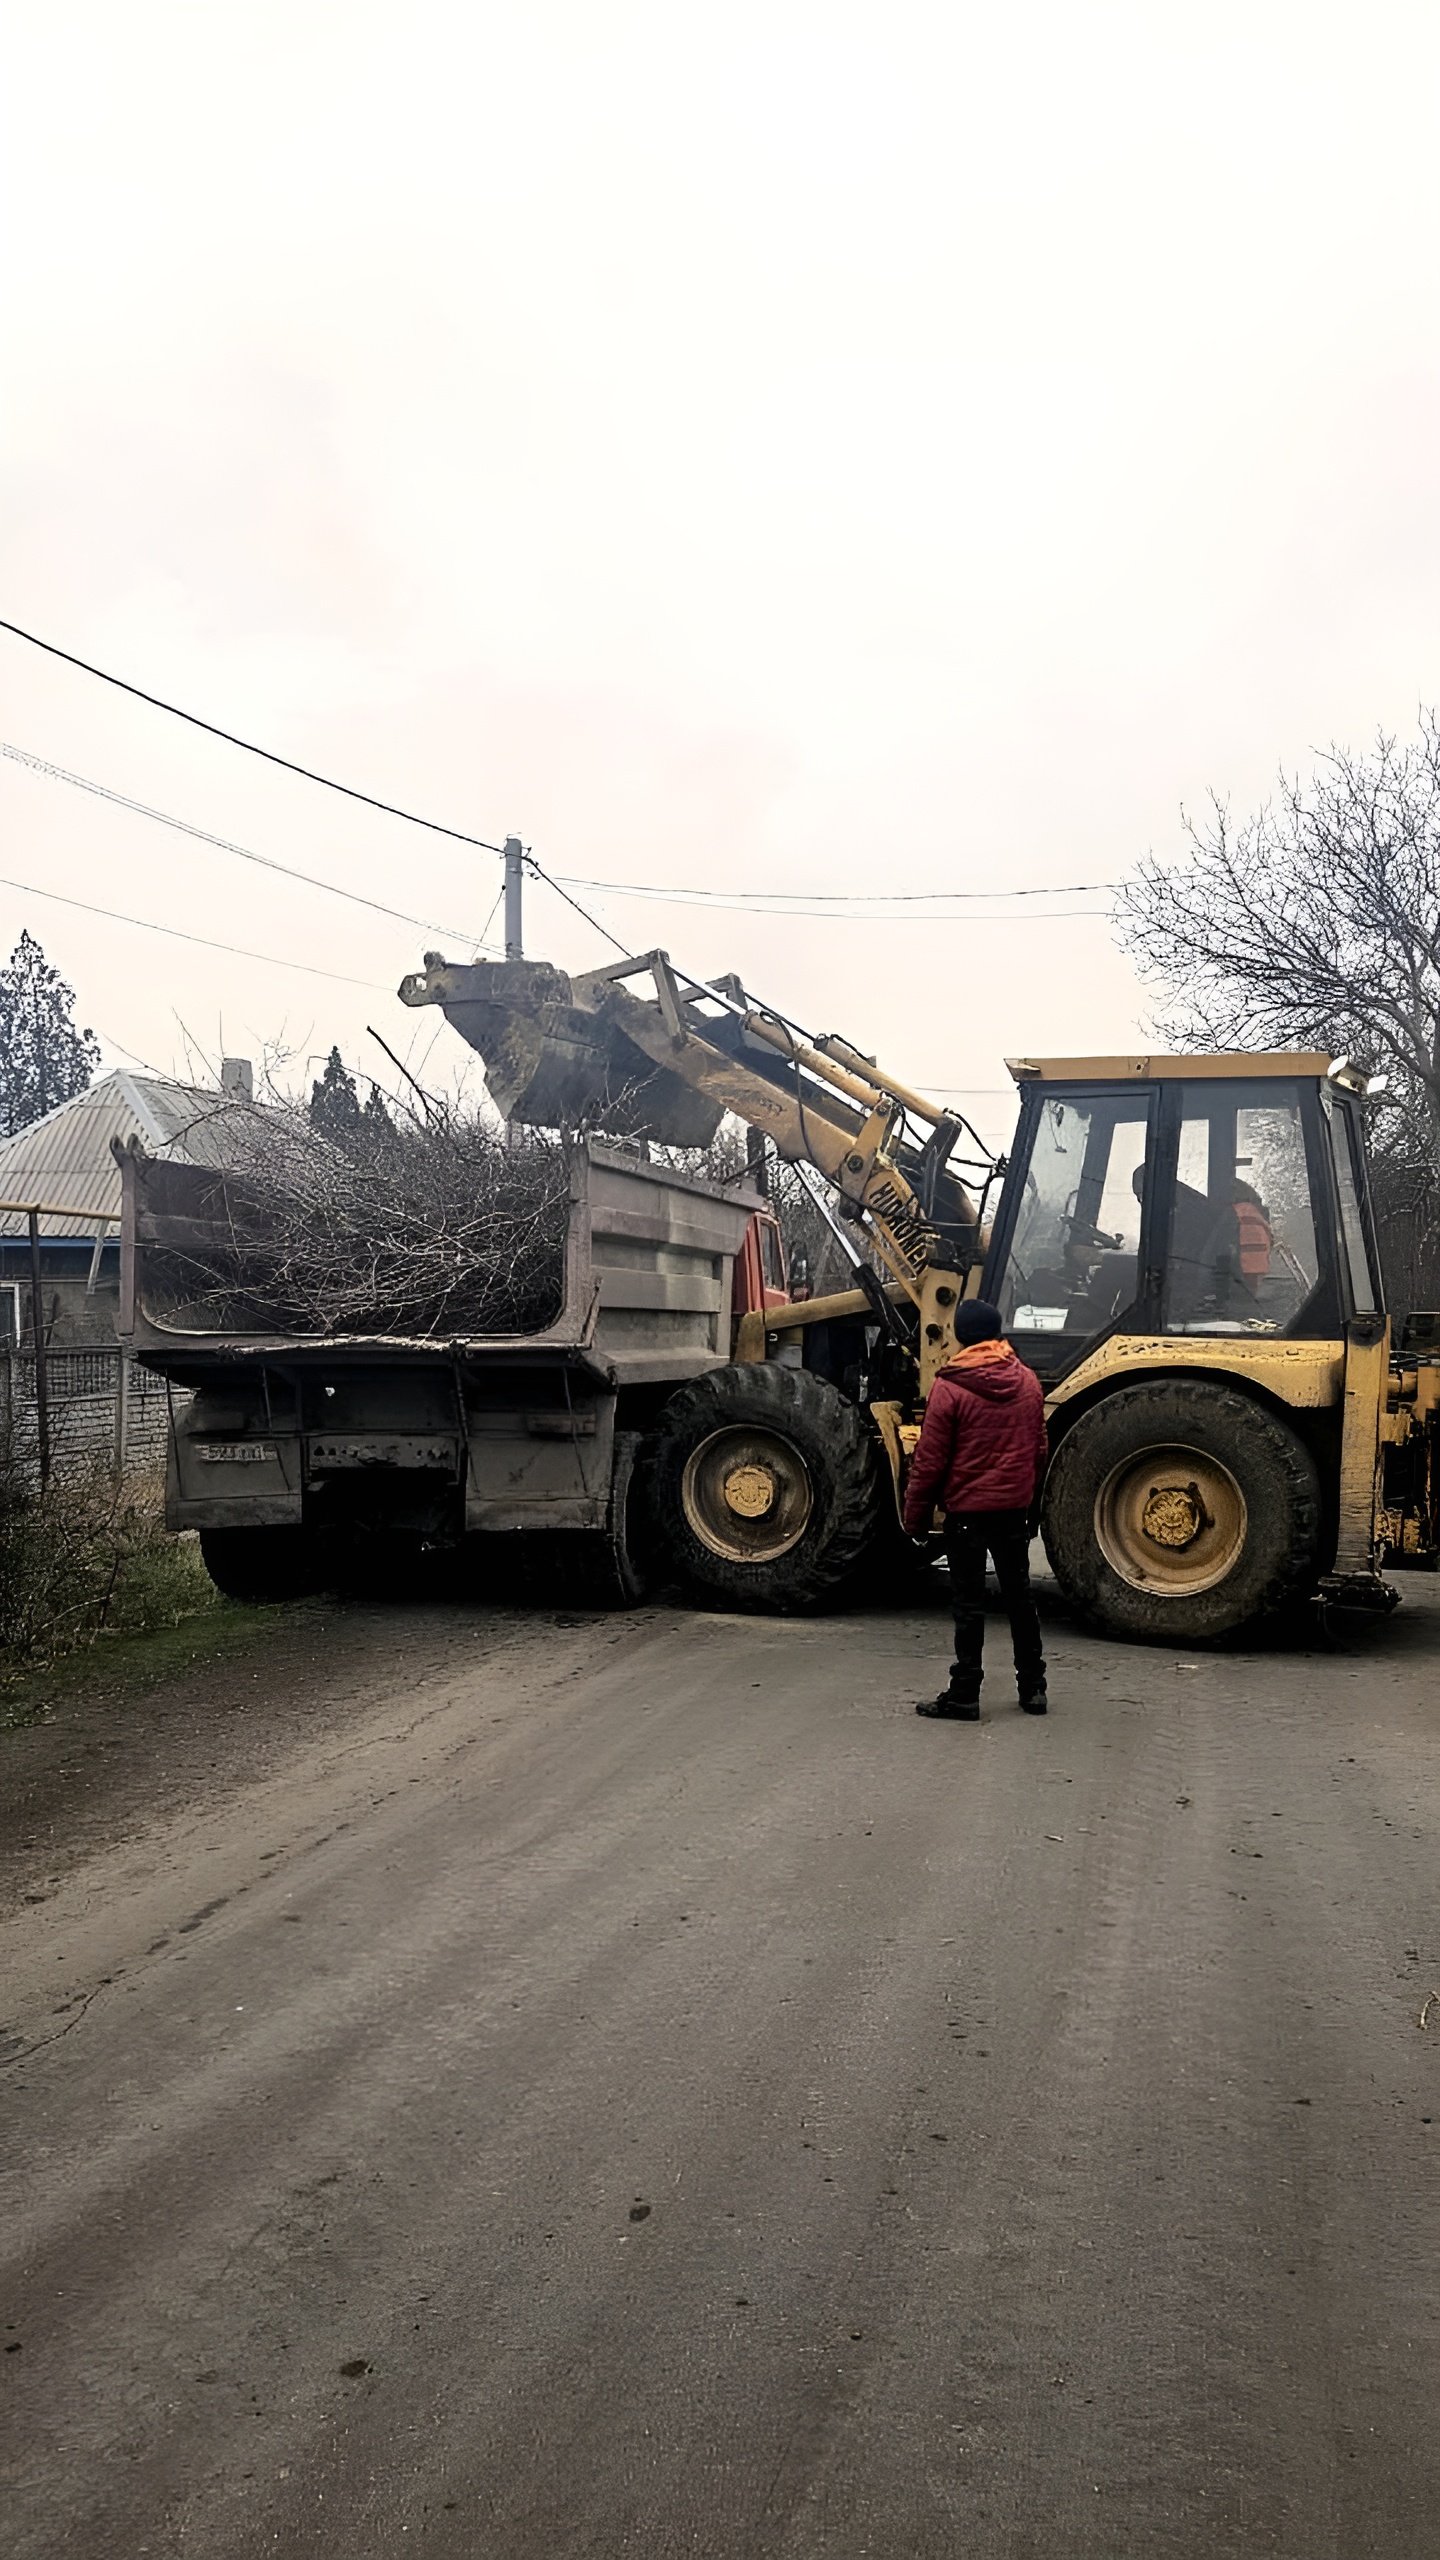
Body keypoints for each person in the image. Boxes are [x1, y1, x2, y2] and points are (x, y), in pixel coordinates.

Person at [902, 1300, 1049, 1720]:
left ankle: (965, 1694)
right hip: (1011, 1510)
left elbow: (929, 1462)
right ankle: (1033, 1689)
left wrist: (915, 1518)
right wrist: (1030, 1504)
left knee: (969, 1606)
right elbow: (1038, 1451)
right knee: (1020, 1600)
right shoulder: (1026, 1381)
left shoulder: (949, 1388)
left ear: (960, 1335)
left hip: (966, 1513)